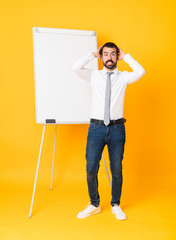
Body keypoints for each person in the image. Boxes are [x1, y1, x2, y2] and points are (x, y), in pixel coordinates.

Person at [72, 42, 145, 220]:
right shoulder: (94, 75)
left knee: (116, 169)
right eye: (106, 54)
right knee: (90, 168)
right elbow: (75, 67)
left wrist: (126, 56)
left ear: (117, 56)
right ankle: (94, 204)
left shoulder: (124, 77)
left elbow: (141, 71)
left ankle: (116, 204)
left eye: (113, 54)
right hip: (96, 127)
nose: (110, 58)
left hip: (117, 128)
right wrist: (92, 54)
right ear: (102, 56)